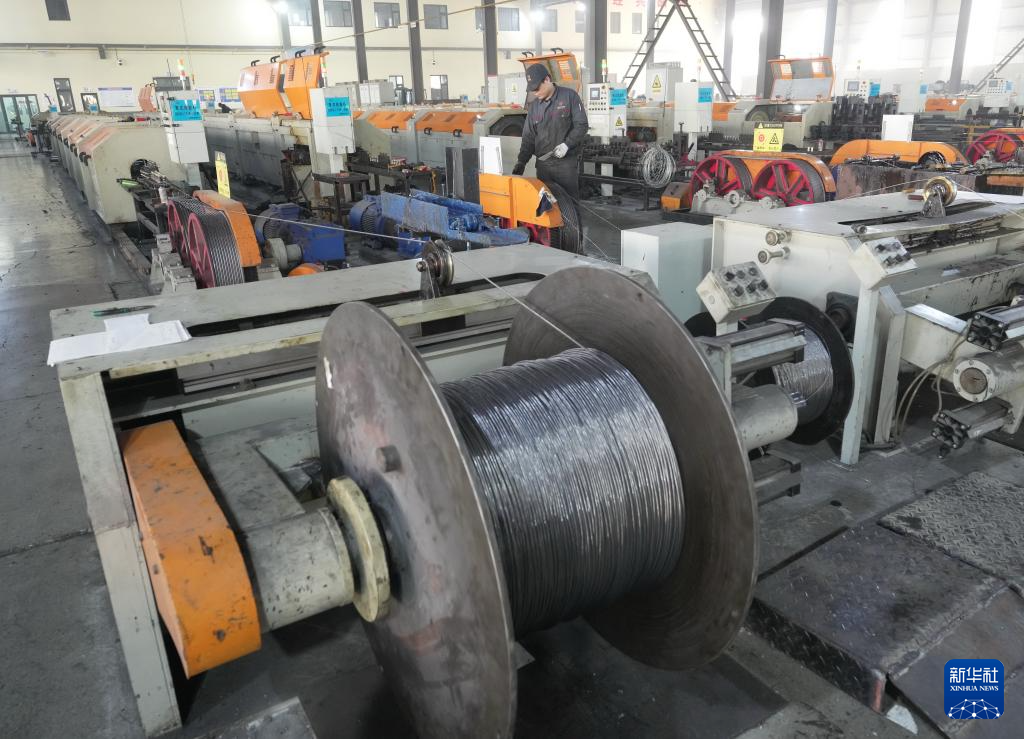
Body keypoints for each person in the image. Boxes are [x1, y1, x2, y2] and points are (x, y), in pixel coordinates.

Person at [512, 63, 589, 200]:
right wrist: (521, 161)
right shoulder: (534, 107)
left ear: (547, 80)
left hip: (565, 165)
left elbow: (582, 125)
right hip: (543, 167)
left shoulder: (569, 97)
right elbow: (528, 137)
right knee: (547, 206)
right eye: (532, 90)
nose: (535, 92)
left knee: (569, 204)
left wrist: (567, 144)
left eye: (537, 88)